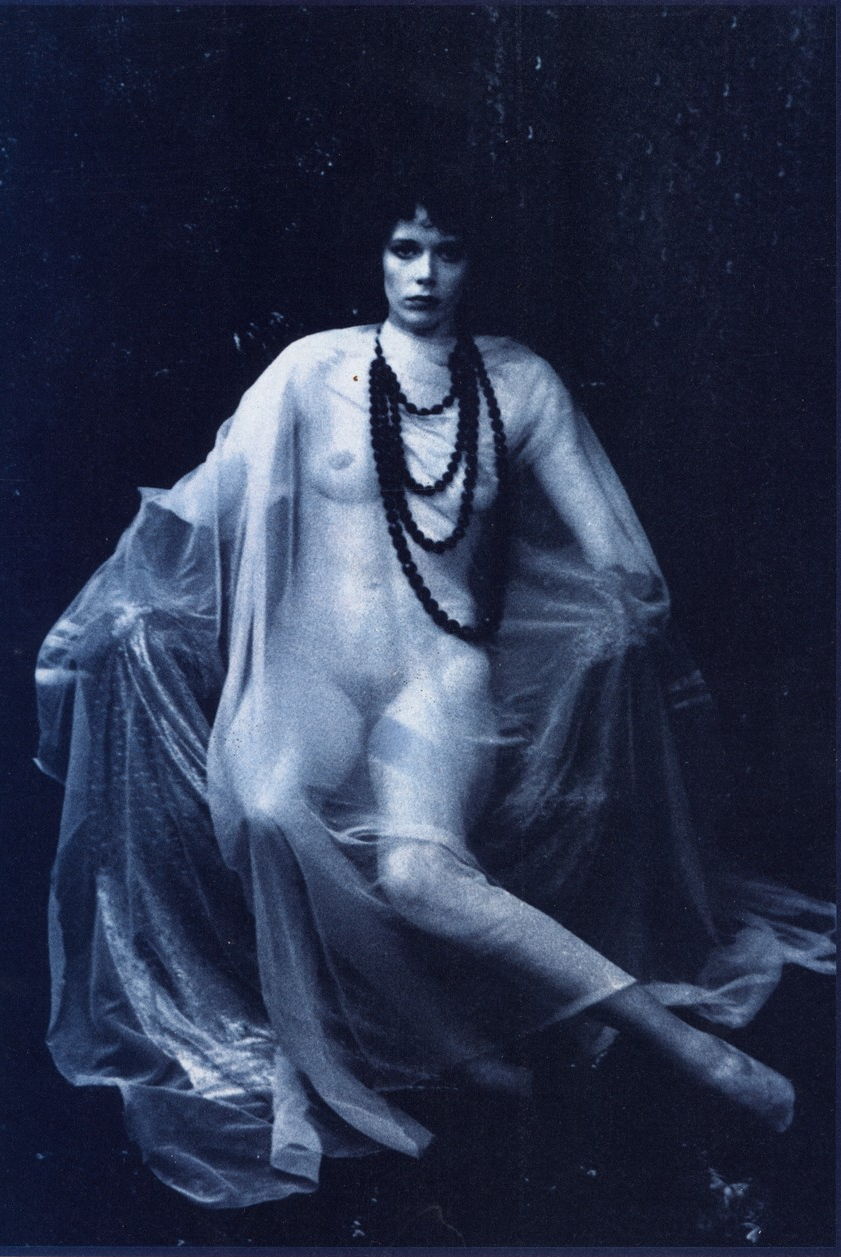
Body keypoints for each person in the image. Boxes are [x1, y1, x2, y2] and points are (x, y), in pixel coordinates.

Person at [35, 172, 834, 1209]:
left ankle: (693, 1053)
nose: (422, 275)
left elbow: (624, 565)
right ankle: (454, 1049)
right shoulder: (309, 369)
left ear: (476, 262)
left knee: (419, 875)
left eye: (446, 251)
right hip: (308, 669)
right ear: (375, 257)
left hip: (435, 673)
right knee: (270, 808)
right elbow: (195, 512)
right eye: (402, 249)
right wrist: (103, 619)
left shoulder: (521, 384)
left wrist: (615, 621)